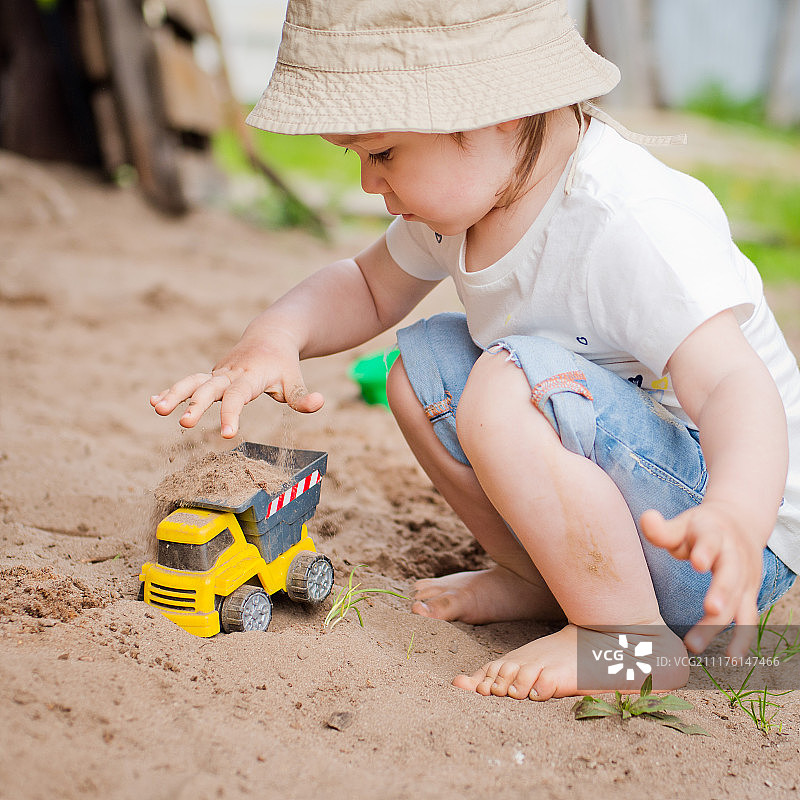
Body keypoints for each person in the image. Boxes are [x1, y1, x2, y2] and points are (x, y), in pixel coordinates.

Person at [150, 0, 800, 700]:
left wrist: (734, 513)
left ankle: (626, 641)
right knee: (415, 372)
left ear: (502, 112)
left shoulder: (629, 223)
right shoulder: (475, 196)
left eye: (384, 152)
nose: (371, 182)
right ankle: (540, 577)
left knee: (503, 382)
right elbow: (369, 286)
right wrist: (273, 338)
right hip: (638, 518)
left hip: (716, 543)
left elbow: (737, 383)